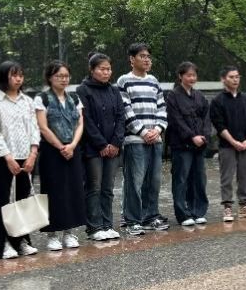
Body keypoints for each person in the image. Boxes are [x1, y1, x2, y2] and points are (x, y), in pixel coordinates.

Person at [0, 60, 41, 259]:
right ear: (4, 77)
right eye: (14, 75)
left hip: (27, 158)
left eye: (20, 75)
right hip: (3, 159)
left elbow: (34, 128)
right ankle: (4, 244)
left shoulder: (27, 101)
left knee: (23, 200)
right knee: (4, 201)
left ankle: (21, 241)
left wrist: (33, 153)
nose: (18, 79)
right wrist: (8, 157)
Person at [34, 60, 87, 250]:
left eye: (66, 76)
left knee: (73, 190)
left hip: (72, 150)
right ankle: (52, 235)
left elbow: (80, 124)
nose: (63, 79)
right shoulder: (42, 98)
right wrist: (60, 147)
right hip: (52, 151)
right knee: (53, 191)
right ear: (50, 77)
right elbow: (43, 127)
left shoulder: (74, 98)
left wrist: (72, 145)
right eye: (59, 76)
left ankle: (69, 232)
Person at [117, 42, 169, 235]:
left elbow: (162, 108)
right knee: (134, 182)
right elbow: (125, 110)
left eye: (148, 56)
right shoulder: (124, 81)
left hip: (155, 139)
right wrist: (142, 132)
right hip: (135, 140)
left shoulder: (154, 81)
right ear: (132, 59)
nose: (147, 60)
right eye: (142, 56)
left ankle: (150, 217)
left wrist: (157, 129)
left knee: (154, 181)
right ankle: (132, 220)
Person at [76, 52, 125, 242]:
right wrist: (102, 144)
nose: (106, 72)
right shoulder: (83, 90)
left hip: (113, 148)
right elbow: (85, 120)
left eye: (108, 69)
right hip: (93, 149)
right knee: (94, 187)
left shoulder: (114, 91)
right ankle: (94, 227)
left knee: (108, 188)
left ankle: (107, 224)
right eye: (102, 69)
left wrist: (116, 143)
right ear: (92, 70)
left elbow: (120, 117)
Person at [165, 61, 210, 227]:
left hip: (200, 144)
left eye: (194, 75)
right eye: (188, 75)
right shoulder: (173, 96)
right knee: (181, 179)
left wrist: (204, 136)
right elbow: (175, 120)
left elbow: (206, 117)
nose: (192, 78)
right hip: (182, 145)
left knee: (199, 178)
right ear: (180, 76)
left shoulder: (200, 96)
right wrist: (192, 136)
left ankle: (198, 211)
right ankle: (183, 214)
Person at [210, 65, 246, 222]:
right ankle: (227, 207)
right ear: (223, 79)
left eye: (237, 76)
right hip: (227, 145)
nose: (235, 80)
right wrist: (233, 142)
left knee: (244, 175)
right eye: (231, 77)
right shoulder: (218, 101)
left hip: (245, 143)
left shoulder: (245, 99)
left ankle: (244, 206)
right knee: (227, 177)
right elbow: (219, 125)